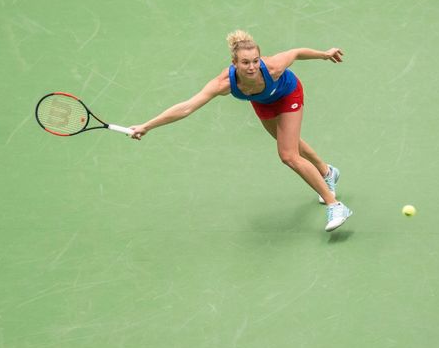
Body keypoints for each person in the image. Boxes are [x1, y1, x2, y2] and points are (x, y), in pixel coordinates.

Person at [129, 30, 353, 232]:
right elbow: (187, 107)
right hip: (262, 102)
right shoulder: (223, 84)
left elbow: (295, 53)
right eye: (245, 62)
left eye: (255, 61)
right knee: (286, 141)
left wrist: (325, 54)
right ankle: (327, 172)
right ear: (234, 62)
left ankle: (335, 206)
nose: (252, 67)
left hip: (288, 94)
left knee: (288, 155)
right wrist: (146, 126)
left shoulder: (273, 67)